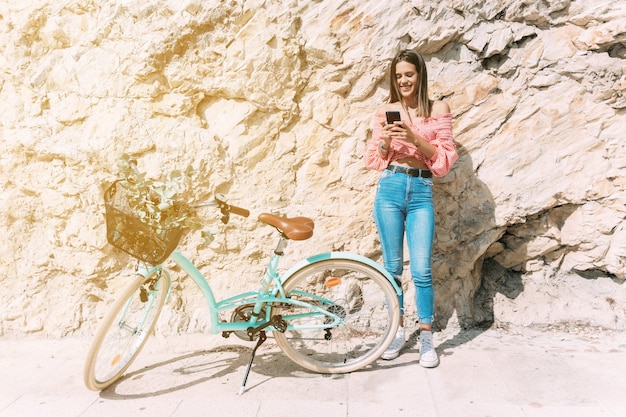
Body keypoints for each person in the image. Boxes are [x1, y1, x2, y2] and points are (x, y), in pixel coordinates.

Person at [364, 49, 458, 368]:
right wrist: (387, 143)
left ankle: (427, 337)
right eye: (399, 75)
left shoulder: (438, 108)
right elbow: (374, 160)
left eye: (409, 74)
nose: (404, 80)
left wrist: (414, 137)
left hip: (421, 190)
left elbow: (444, 161)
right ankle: (396, 332)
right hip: (390, 187)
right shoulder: (385, 110)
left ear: (420, 75)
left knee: (421, 269)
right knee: (392, 269)